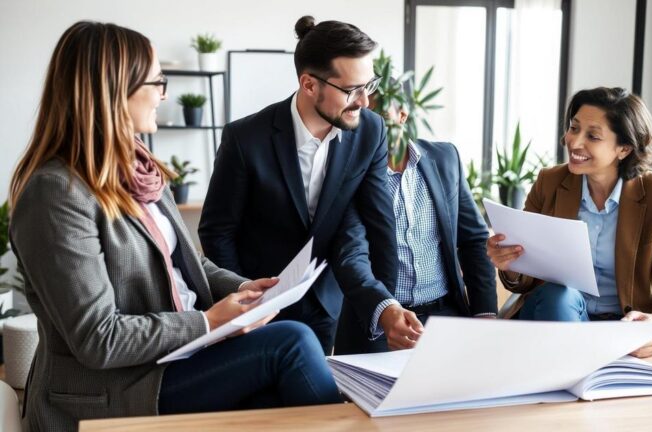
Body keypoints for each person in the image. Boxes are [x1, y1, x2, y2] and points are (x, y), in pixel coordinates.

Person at [8, 21, 339, 432]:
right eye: (157, 80)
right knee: (293, 342)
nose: (164, 93)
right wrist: (209, 322)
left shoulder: (140, 170)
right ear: (115, 89)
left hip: (177, 360)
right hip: (115, 386)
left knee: (278, 396)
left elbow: (186, 264)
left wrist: (242, 289)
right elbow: (99, 338)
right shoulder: (55, 194)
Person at [199, 16, 420, 354]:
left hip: (329, 302)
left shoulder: (371, 132)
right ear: (309, 84)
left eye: (368, 86)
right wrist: (243, 300)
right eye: (351, 90)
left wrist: (385, 304)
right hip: (257, 306)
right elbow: (217, 232)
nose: (364, 101)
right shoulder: (245, 139)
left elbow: (378, 225)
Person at [487, 87, 652, 358]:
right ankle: (568, 375)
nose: (574, 142)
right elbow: (523, 280)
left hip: (624, 329)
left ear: (624, 148)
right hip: (556, 316)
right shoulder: (550, 182)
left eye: (592, 136)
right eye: (573, 128)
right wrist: (509, 263)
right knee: (559, 295)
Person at [334, 100, 497, 354]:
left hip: (446, 317)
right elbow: (351, 257)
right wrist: (386, 311)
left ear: (402, 115)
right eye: (362, 115)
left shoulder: (446, 159)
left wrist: (484, 313)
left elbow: (473, 240)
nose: (369, 124)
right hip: (379, 320)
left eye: (377, 114)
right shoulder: (348, 173)